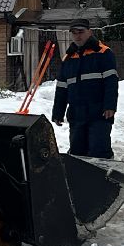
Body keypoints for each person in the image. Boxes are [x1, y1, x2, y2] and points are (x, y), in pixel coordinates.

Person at [51, 19, 118, 158]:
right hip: (76, 114)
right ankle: (80, 179)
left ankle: (105, 178)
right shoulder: (68, 59)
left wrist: (110, 106)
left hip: (99, 113)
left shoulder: (103, 53)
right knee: (77, 152)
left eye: (81, 32)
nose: (77, 36)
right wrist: (58, 112)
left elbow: (111, 82)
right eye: (74, 33)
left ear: (90, 32)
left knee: (99, 150)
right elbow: (62, 88)